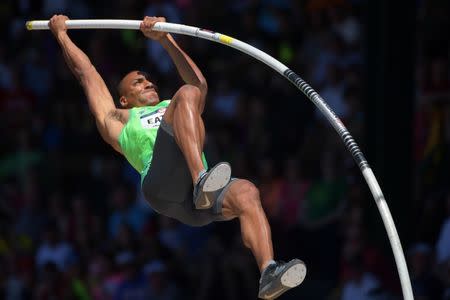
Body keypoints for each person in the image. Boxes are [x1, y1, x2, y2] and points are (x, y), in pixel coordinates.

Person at [48, 14, 306, 299]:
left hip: (196, 204)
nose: (147, 82)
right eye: (138, 82)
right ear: (124, 98)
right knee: (186, 95)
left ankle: (268, 272)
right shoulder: (118, 119)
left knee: (246, 191)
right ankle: (200, 181)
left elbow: (199, 85)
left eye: (147, 79)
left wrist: (165, 39)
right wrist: (62, 35)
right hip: (162, 185)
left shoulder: (176, 105)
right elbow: (87, 74)